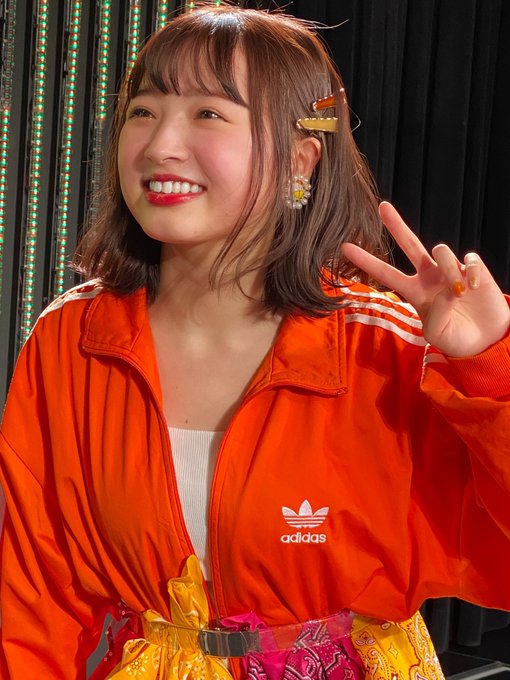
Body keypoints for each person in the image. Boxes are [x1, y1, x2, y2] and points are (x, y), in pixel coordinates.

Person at [1, 4, 509, 679]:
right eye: (143, 110)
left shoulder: (384, 345)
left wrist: (488, 369)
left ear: (300, 157)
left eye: (208, 113)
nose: (159, 145)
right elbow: (33, 594)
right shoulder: (72, 337)